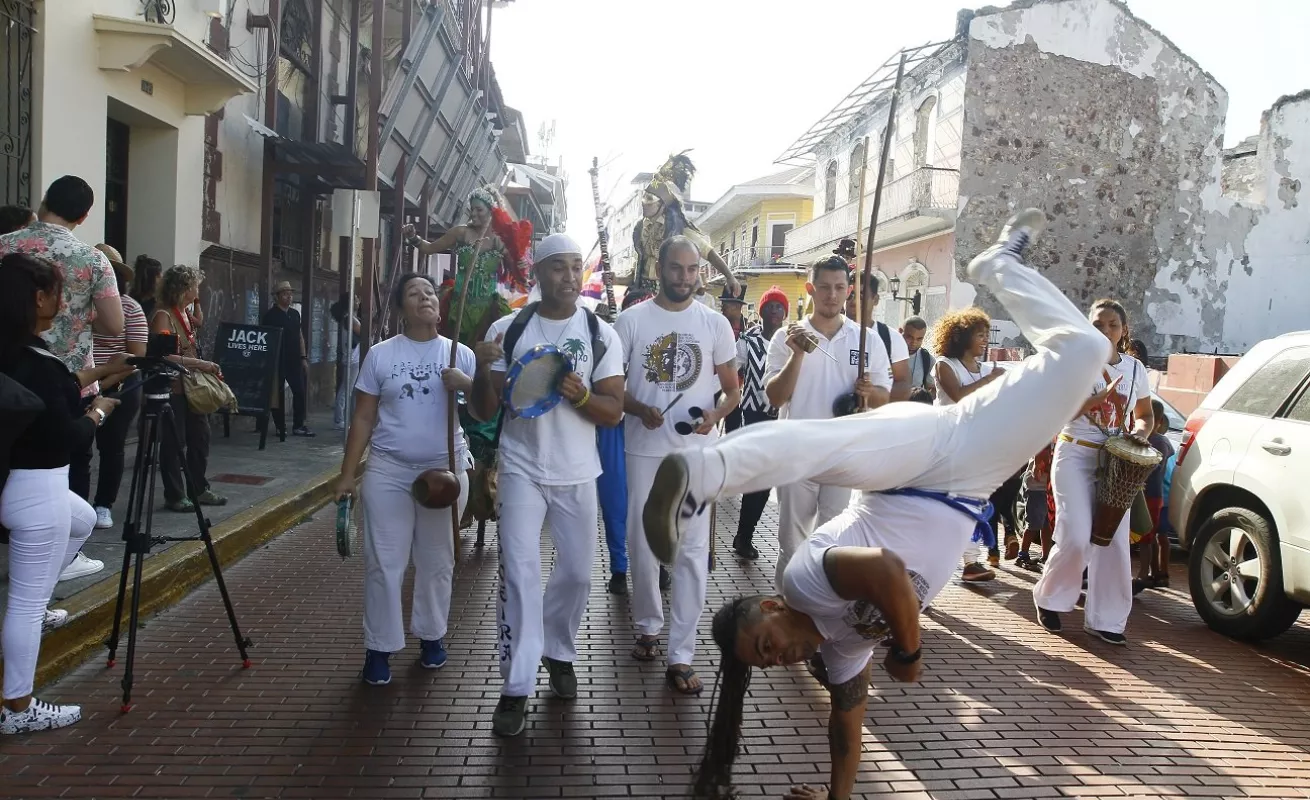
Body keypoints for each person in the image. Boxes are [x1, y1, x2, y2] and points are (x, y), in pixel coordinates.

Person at [639, 211, 1110, 800]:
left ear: (770, 604)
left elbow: (887, 573)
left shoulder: (804, 581)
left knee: (821, 442)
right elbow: (847, 722)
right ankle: (1000, 265)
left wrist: (910, 653)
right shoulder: (839, 651)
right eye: (768, 664)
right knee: (1087, 348)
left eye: (766, 644)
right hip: (970, 482)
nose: (779, 658)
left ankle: (702, 470)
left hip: (921, 456)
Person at [468, 234, 625, 736]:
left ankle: (559, 650)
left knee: (578, 574)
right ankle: (515, 686)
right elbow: (483, 412)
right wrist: (480, 366)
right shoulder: (507, 328)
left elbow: (614, 412)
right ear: (538, 272)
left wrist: (580, 398)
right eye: (558, 267)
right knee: (519, 573)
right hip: (520, 467)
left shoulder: (601, 332)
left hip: (579, 472)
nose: (569, 276)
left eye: (576, 267)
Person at [335, 272, 494, 686]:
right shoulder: (381, 355)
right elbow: (365, 416)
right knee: (384, 563)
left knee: (438, 561)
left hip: (445, 473)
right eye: (413, 292)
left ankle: (432, 635)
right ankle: (379, 647)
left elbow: (481, 414)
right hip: (389, 470)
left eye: (429, 292)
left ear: (439, 308)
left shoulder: (460, 354)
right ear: (401, 308)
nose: (424, 296)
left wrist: (468, 383)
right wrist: (347, 475)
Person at [1, 252, 131, 735]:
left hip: (24, 487)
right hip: (40, 489)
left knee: (82, 520)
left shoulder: (15, 353)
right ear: (38, 299)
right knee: (25, 606)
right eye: (58, 293)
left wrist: (99, 375)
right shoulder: (36, 358)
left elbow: (47, 398)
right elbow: (66, 435)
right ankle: (17, 708)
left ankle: (36, 617)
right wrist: (97, 413)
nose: (65, 301)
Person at [614, 235, 740, 695]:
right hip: (643, 450)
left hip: (694, 455)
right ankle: (648, 625)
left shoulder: (714, 324)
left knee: (689, 553)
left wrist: (715, 415)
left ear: (699, 274)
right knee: (643, 545)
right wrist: (636, 407)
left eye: (692, 270)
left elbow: (732, 389)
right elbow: (612, 388)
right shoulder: (629, 322)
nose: (684, 277)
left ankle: (681, 653)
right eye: (676, 268)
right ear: (660, 269)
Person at [402, 185, 533, 540]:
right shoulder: (460, 235)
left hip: (483, 312)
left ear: (490, 213)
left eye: (480, 211)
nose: (474, 215)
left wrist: (517, 250)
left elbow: (523, 270)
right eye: (471, 209)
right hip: (457, 306)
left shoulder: (495, 243)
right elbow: (429, 248)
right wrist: (415, 239)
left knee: (484, 358)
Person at [0, 176, 124, 530]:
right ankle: (65, 551)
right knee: (68, 464)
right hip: (67, 378)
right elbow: (115, 326)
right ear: (83, 217)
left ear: (44, 203)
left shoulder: (4, 246)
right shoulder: (93, 260)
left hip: (6, 372)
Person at [766, 257, 892, 591]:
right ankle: (787, 607)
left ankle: (819, 612)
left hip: (843, 455)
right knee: (792, 542)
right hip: (797, 453)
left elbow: (884, 395)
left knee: (833, 541)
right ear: (811, 289)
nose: (831, 296)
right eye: (824, 287)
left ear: (850, 291)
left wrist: (870, 391)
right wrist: (797, 354)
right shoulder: (787, 336)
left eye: (839, 288)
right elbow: (776, 397)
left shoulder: (867, 340)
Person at [1033, 297, 1153, 645]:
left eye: (1112, 325)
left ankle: (1107, 620)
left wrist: (1140, 434)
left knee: (1113, 542)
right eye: (1098, 324)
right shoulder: (1073, 364)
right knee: (1075, 534)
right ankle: (1050, 598)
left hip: (1116, 464)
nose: (1105, 330)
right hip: (1075, 454)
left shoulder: (1135, 369)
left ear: (1124, 330)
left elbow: (1144, 414)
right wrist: (1095, 401)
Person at [932, 307, 1005, 582]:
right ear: (962, 337)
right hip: (948, 440)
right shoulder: (944, 364)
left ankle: (971, 562)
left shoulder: (986, 369)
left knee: (972, 501)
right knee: (949, 502)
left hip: (976, 443)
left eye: (986, 335)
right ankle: (939, 557)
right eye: (979, 335)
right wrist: (990, 381)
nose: (985, 340)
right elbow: (959, 396)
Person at [149, 266, 226, 513]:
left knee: (200, 438)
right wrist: (199, 363)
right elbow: (164, 356)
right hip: (174, 388)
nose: (197, 291)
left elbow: (196, 331)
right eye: (194, 287)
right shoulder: (164, 315)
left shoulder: (185, 314)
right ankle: (175, 493)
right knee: (174, 441)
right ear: (184, 289)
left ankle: (198, 487)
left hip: (193, 387)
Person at [89, 245, 148, 531]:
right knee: (77, 448)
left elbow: (135, 357)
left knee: (112, 447)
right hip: (80, 384)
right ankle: (74, 504)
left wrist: (101, 386)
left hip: (120, 385)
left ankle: (103, 504)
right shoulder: (76, 304)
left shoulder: (130, 307)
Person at [630, 152, 740, 298]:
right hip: (641, 295)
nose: (644, 204)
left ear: (662, 205)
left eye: (650, 200)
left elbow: (709, 253)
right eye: (644, 198)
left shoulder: (679, 229)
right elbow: (637, 273)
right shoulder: (641, 229)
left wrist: (730, 276)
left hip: (668, 295)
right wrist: (616, 279)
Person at [731, 285, 788, 560]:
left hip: (779, 419)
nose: (775, 311)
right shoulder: (748, 342)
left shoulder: (790, 343)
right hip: (753, 417)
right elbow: (731, 371)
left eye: (780, 307)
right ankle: (743, 535)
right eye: (771, 306)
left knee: (765, 483)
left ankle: (745, 534)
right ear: (762, 311)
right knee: (756, 480)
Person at [598, 290, 648, 596]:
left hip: (649, 430)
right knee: (615, 500)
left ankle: (655, 563)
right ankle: (619, 565)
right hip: (615, 429)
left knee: (653, 502)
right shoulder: (609, 342)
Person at [843, 264, 910, 401]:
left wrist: (871, 393)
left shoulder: (891, 339)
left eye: (861, 296)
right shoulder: (830, 333)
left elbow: (904, 387)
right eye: (850, 295)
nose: (854, 301)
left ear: (876, 300)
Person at [261, 281, 314, 438]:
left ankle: (298, 425)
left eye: (290, 293)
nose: (288, 296)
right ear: (277, 297)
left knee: (299, 391)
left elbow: (300, 336)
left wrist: (303, 357)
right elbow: (266, 339)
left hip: (294, 359)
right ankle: (280, 426)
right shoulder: (270, 316)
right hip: (277, 360)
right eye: (284, 293)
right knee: (277, 394)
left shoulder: (294, 314)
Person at [1133, 399, 1174, 594]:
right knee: (1150, 534)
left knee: (1146, 536)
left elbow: (1150, 466)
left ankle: (1143, 573)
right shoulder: (1160, 441)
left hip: (1150, 494)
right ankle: (1156, 572)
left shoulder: (1157, 441)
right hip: (1151, 494)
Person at [1016, 441, 1055, 571]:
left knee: (1046, 525)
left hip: (1048, 488)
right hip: (1037, 488)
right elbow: (1040, 466)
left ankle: (1045, 555)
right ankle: (1023, 555)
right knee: (1033, 523)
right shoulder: (1045, 441)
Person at [329, 293, 362, 431]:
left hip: (353, 357)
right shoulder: (349, 319)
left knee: (351, 390)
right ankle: (339, 419)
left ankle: (348, 417)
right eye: (355, 299)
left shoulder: (349, 318)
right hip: (352, 358)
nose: (358, 301)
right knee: (346, 390)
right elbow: (363, 332)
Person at [901, 316, 935, 398]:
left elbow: (932, 390)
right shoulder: (887, 354)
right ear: (900, 332)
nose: (914, 343)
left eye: (919, 339)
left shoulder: (927, 359)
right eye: (909, 337)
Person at [129, 254, 162, 320]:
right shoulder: (132, 304)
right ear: (149, 279)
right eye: (158, 276)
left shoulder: (159, 301)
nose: (161, 278)